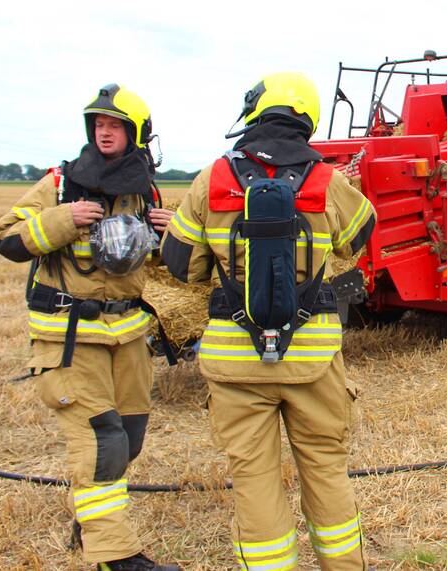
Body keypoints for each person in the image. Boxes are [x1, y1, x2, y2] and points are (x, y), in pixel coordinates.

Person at [161, 72, 375, 571]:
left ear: (255, 113)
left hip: (235, 361)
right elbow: (358, 237)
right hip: (312, 360)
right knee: (325, 471)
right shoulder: (327, 180)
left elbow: (182, 267)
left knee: (254, 482)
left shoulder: (212, 178)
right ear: (306, 119)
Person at [0, 84, 179, 571]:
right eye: (98, 123)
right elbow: (5, 238)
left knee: (130, 438)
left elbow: (151, 263)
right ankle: (115, 555)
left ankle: (92, 517)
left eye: (114, 124)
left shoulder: (145, 193)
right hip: (70, 339)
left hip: (129, 337)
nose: (104, 130)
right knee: (102, 441)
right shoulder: (60, 185)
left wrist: (169, 233)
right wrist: (62, 219)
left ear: (137, 133)